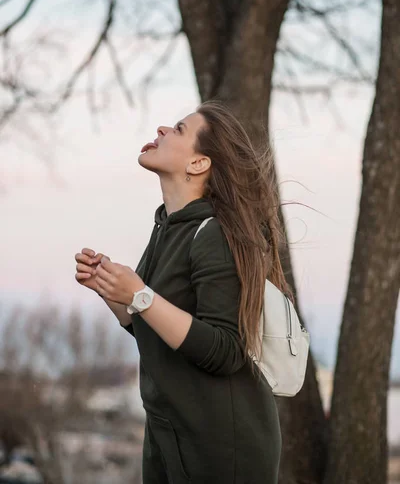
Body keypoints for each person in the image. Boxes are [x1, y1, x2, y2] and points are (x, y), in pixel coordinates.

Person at [75, 100, 293, 484]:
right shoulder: (166, 228)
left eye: (177, 129)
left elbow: (225, 349)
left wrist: (141, 295)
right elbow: (151, 326)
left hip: (222, 450)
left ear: (198, 164)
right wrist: (110, 289)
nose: (160, 129)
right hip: (168, 436)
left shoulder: (214, 234)